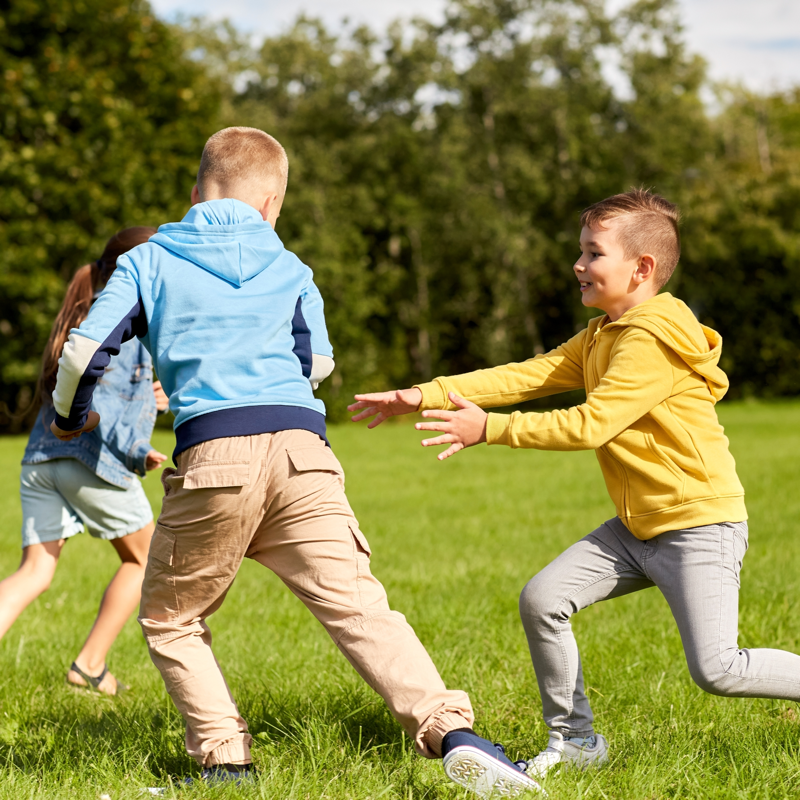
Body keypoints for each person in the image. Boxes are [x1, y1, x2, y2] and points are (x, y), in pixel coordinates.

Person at [47, 127, 542, 797]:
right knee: (360, 608)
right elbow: (319, 363)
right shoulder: (291, 268)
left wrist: (72, 415)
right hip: (306, 453)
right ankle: (454, 732)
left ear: (196, 193)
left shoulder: (152, 260)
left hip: (216, 455)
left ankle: (225, 758)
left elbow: (82, 354)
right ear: (273, 203)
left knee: (171, 615)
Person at [349, 188, 800, 778]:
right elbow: (529, 374)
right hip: (638, 526)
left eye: (593, 253)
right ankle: (578, 741)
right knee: (544, 599)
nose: (578, 265)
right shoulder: (601, 335)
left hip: (696, 523)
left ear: (641, 268)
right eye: (580, 252)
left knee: (718, 670)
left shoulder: (649, 340)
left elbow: (593, 423)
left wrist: (489, 429)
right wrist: (423, 395)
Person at [0, 227, 168, 695]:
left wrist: (156, 400)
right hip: (90, 459)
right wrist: (138, 450)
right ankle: (90, 665)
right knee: (146, 558)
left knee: (35, 572)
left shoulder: (82, 312)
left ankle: (91, 667)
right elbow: (105, 409)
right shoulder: (126, 320)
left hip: (40, 459)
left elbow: (106, 389)